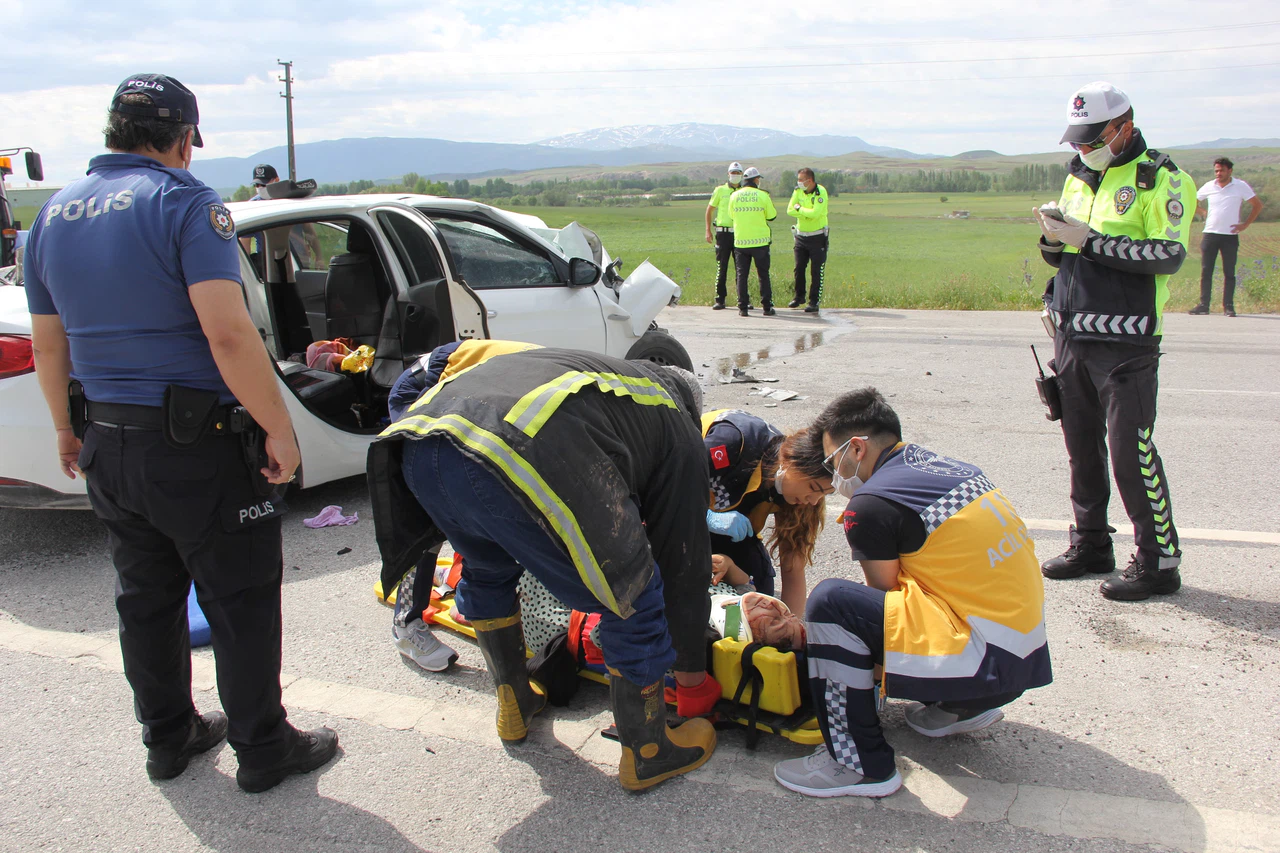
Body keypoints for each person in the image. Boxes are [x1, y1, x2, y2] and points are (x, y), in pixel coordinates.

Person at [22, 73, 337, 793]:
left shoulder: (53, 214)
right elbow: (227, 334)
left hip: (107, 440)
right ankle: (263, 747)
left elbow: (50, 347)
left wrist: (65, 431)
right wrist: (279, 428)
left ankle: (169, 737)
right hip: (196, 446)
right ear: (183, 137)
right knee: (241, 595)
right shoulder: (185, 203)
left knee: (146, 596)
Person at [367, 343, 720, 791]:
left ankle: (514, 698)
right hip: (515, 448)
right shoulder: (674, 419)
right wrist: (691, 676)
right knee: (633, 592)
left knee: (486, 565)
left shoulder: (602, 374)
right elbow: (682, 561)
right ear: (693, 411)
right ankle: (648, 750)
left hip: (420, 443)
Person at [768, 388, 1052, 799]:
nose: (834, 476)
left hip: (981, 661)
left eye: (833, 461)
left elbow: (880, 603)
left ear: (858, 448)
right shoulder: (951, 468)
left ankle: (858, 764)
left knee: (832, 605)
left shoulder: (871, 502)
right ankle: (960, 707)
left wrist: (856, 682)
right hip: (1023, 659)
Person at [1032, 81, 1195, 601]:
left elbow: (1165, 256)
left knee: (1131, 452)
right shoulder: (1080, 174)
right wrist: (1054, 239)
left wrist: (1090, 240)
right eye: (1077, 141)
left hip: (1127, 342)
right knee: (1081, 447)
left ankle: (1158, 561)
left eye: (1092, 138)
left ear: (1123, 126)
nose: (1083, 149)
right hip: (1073, 334)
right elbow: (1067, 257)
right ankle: (1091, 544)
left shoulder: (1161, 180)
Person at [702, 410, 831, 610]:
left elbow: (793, 568)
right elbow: (666, 487)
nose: (813, 501)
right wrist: (707, 517)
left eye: (824, 494)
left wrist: (790, 628)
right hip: (678, 516)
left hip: (731, 532)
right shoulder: (734, 441)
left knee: (760, 594)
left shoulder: (804, 500)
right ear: (790, 462)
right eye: (814, 488)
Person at [1192, 157, 1262, 317]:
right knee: (1206, 270)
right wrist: (1203, 212)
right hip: (1210, 234)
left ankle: (1228, 306)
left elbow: (1257, 205)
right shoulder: (1209, 186)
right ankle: (1204, 305)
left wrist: (1245, 225)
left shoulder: (1240, 186)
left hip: (1229, 236)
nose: (1218, 173)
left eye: (1221, 170)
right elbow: (1192, 201)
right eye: (1216, 170)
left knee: (1229, 272)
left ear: (1229, 171)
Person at [729, 166, 778, 317]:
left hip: (741, 242)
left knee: (741, 275)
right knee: (763, 275)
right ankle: (766, 307)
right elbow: (772, 216)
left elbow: (731, 216)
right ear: (756, 180)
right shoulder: (763, 196)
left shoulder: (735, 196)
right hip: (760, 242)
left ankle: (743, 308)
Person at [787, 167, 829, 313]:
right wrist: (804, 212)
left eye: (800, 180)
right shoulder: (797, 191)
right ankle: (799, 297)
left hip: (817, 237)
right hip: (801, 236)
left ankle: (814, 301)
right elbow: (789, 209)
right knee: (799, 268)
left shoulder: (820, 192)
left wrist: (800, 209)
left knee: (816, 271)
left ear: (809, 180)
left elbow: (816, 213)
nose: (798, 183)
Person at [705, 162, 744, 310]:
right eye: (733, 173)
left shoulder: (744, 191)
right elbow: (709, 210)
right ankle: (720, 299)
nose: (735, 175)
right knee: (722, 267)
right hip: (723, 233)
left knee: (741, 268)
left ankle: (743, 299)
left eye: (738, 173)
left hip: (740, 233)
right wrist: (708, 230)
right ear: (728, 174)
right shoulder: (720, 190)